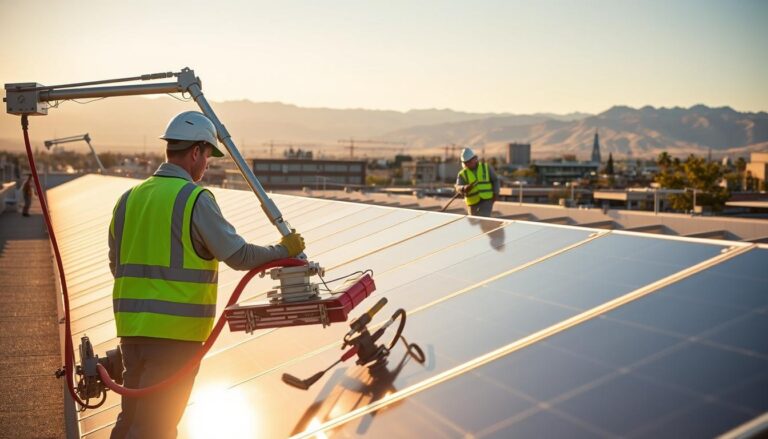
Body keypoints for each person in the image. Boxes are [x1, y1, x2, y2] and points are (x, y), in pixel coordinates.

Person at [108, 111, 305, 439]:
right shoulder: (193, 199)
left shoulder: (128, 199)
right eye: (208, 158)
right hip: (175, 338)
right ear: (196, 152)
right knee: (156, 427)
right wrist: (283, 249)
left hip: (131, 332)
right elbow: (239, 255)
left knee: (132, 421)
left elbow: (117, 265)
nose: (206, 166)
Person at [454, 147, 499, 217]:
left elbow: (495, 180)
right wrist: (464, 188)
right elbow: (457, 187)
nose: (468, 164)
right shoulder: (462, 173)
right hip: (472, 203)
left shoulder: (486, 167)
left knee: (483, 219)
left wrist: (496, 193)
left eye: (469, 161)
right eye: (466, 162)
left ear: (475, 158)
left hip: (486, 200)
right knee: (474, 222)